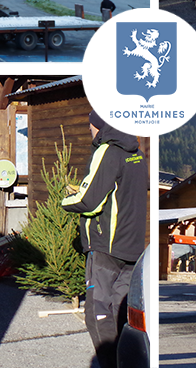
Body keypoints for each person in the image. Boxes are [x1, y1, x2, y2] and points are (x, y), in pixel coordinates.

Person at [62, 111, 147, 368]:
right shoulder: (137, 154)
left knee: (96, 314)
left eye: (90, 127)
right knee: (121, 313)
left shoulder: (108, 150)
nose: (90, 132)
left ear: (98, 126)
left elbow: (89, 201)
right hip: (132, 249)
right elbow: (118, 194)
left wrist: (66, 200)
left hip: (106, 247)